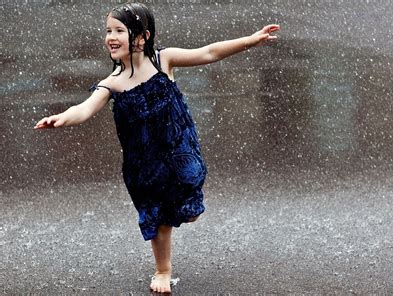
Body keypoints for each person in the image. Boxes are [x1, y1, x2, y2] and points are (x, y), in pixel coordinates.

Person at [34, 2, 279, 293]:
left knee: (190, 208)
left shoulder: (164, 61)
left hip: (179, 150)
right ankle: (163, 270)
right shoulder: (112, 83)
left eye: (119, 31)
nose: (110, 37)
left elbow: (209, 52)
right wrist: (63, 117)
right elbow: (84, 109)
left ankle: (182, 210)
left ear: (142, 37)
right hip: (143, 163)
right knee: (157, 215)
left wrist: (251, 40)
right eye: (108, 31)